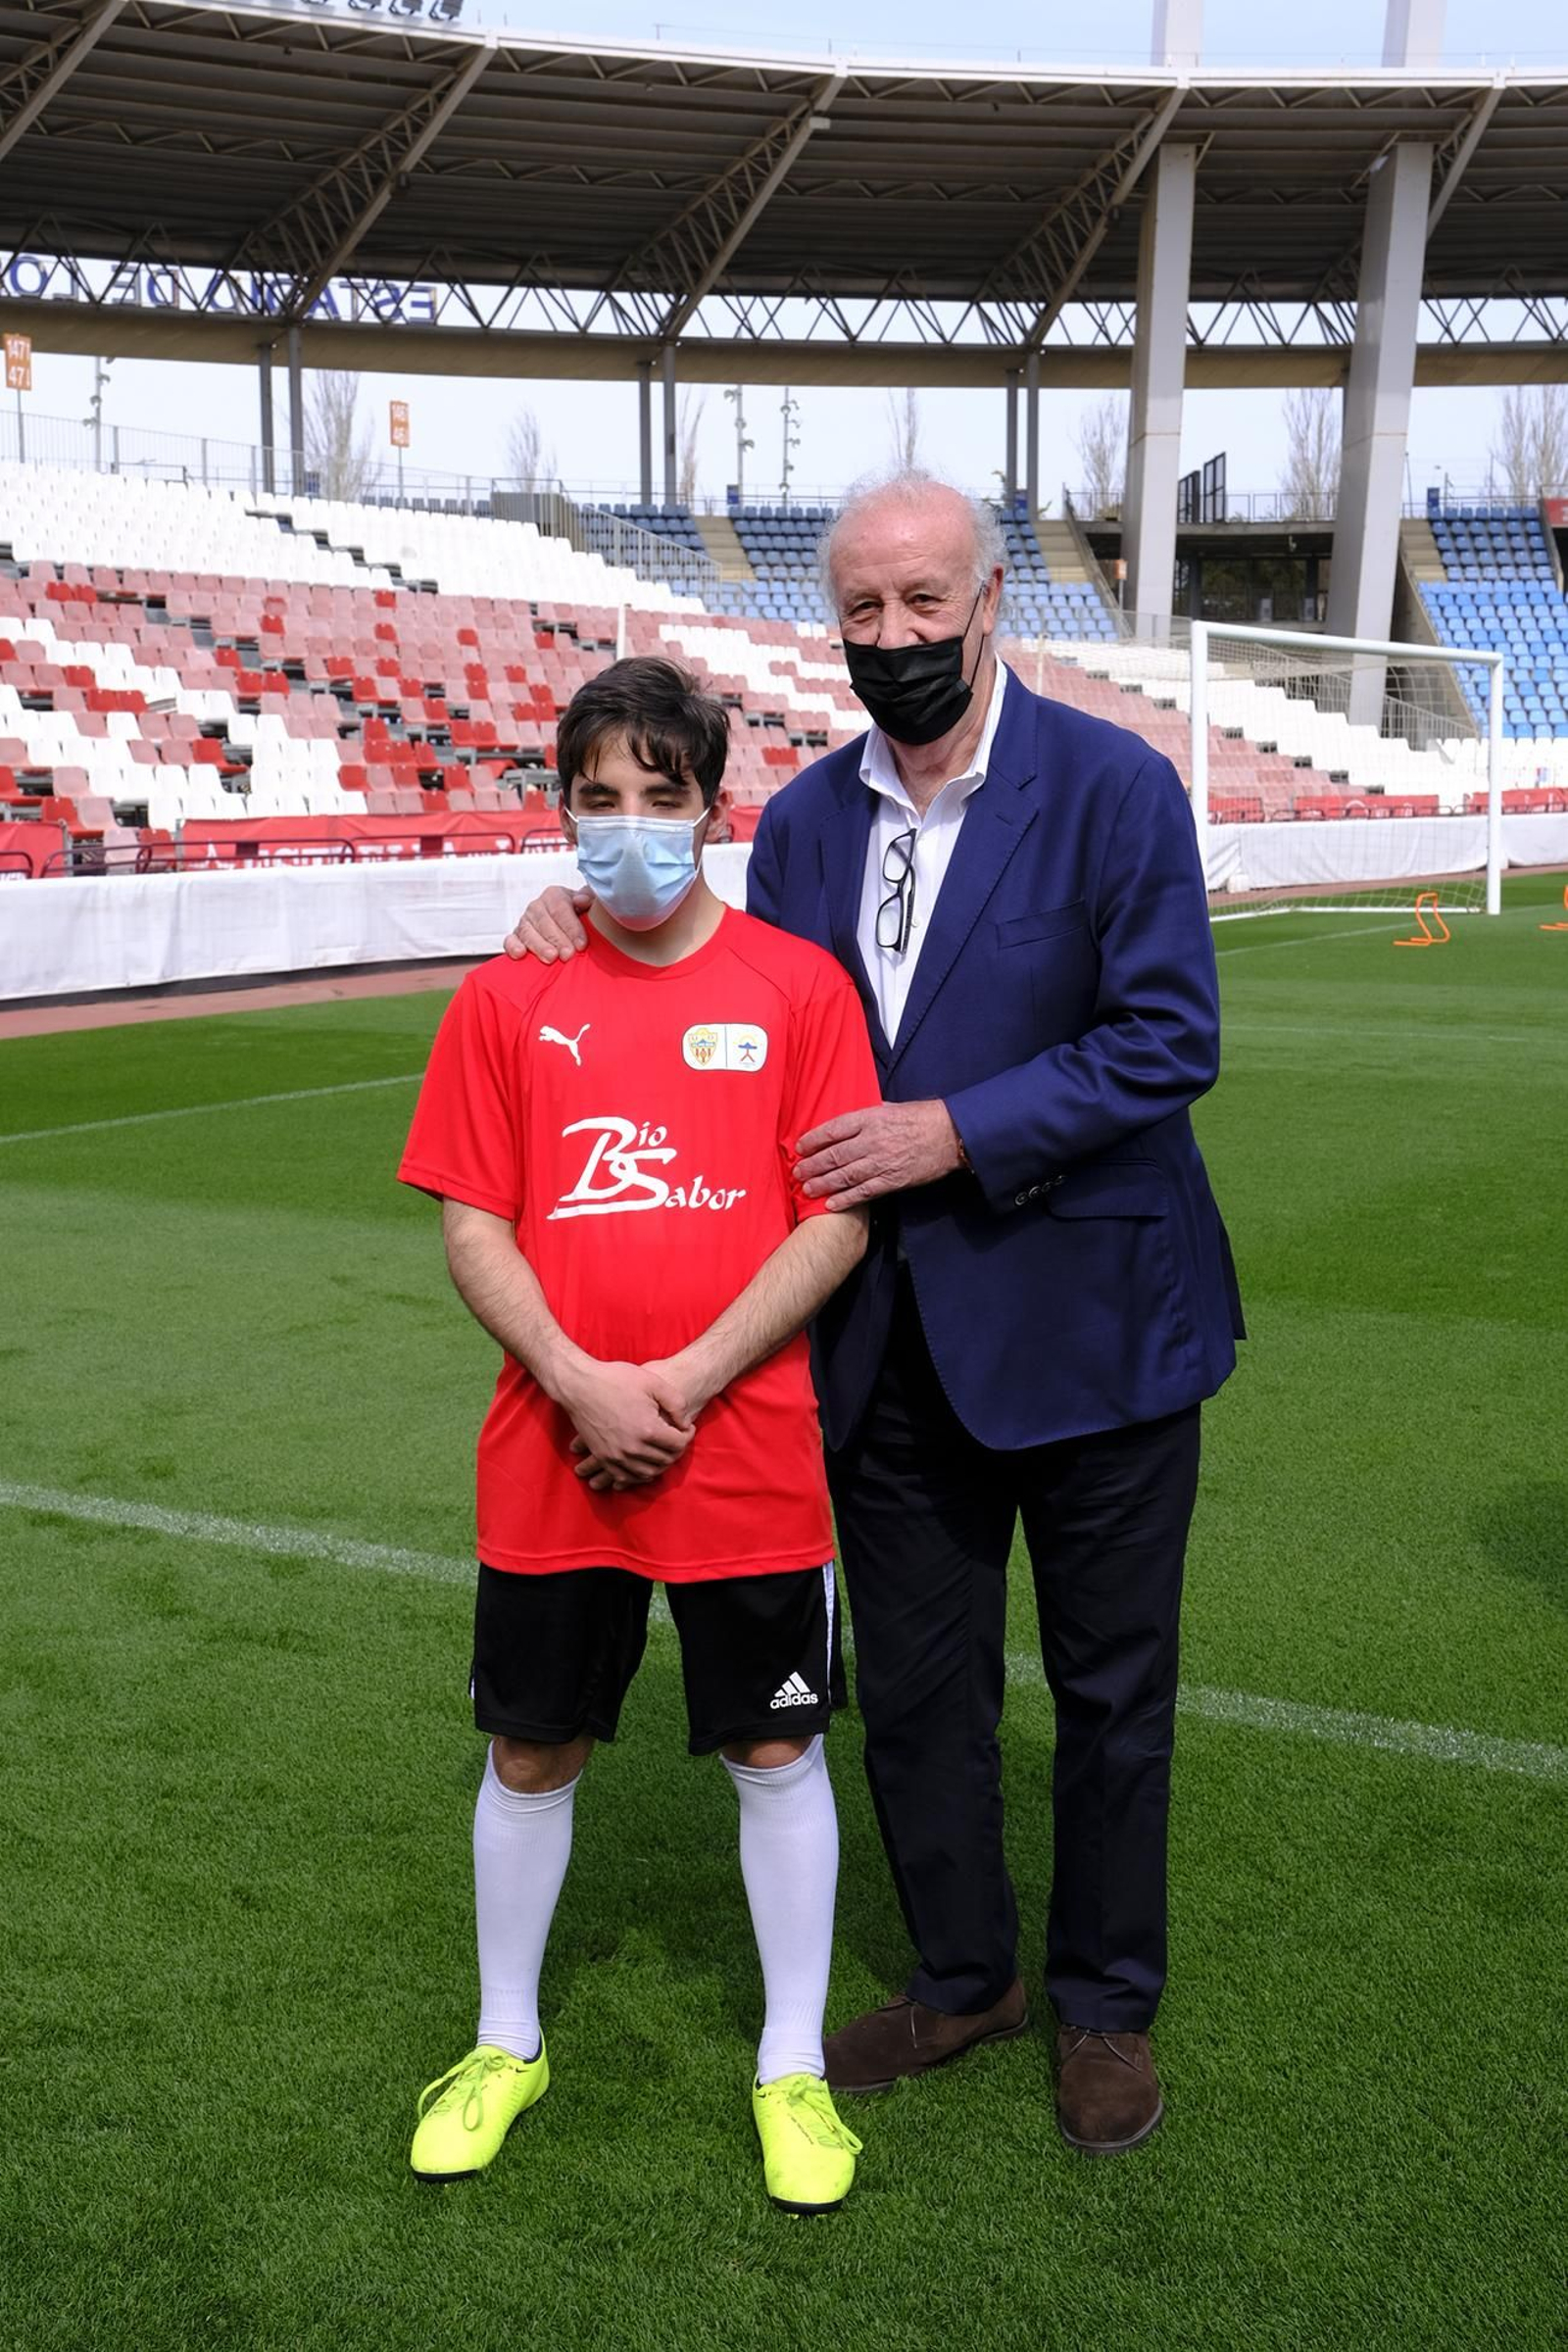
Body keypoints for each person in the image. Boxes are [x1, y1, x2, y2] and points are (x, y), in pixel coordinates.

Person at [504, 475, 1245, 2157]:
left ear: (994, 604)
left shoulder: (1115, 787)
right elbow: (744, 1023)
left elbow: (1166, 1041)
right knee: (915, 1692)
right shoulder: (808, 827)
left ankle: (1107, 2004)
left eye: (924, 604)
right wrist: (579, 924)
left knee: (1114, 1691)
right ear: (829, 621)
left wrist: (954, 1132)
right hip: (886, 1340)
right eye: (864, 612)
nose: (896, 639)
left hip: (1099, 1327)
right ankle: (965, 1973)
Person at [399, 655, 877, 2214]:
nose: (625, 831)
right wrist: (583, 1380)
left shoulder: (798, 988)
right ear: (563, 810)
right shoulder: (507, 993)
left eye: (656, 799)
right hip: (552, 1448)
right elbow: (476, 1226)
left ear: (706, 807)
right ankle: (504, 2042)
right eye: (594, 802)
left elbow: (835, 1225)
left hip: (744, 1448)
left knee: (774, 1741)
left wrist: (675, 1378)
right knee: (532, 1745)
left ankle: (790, 2063)